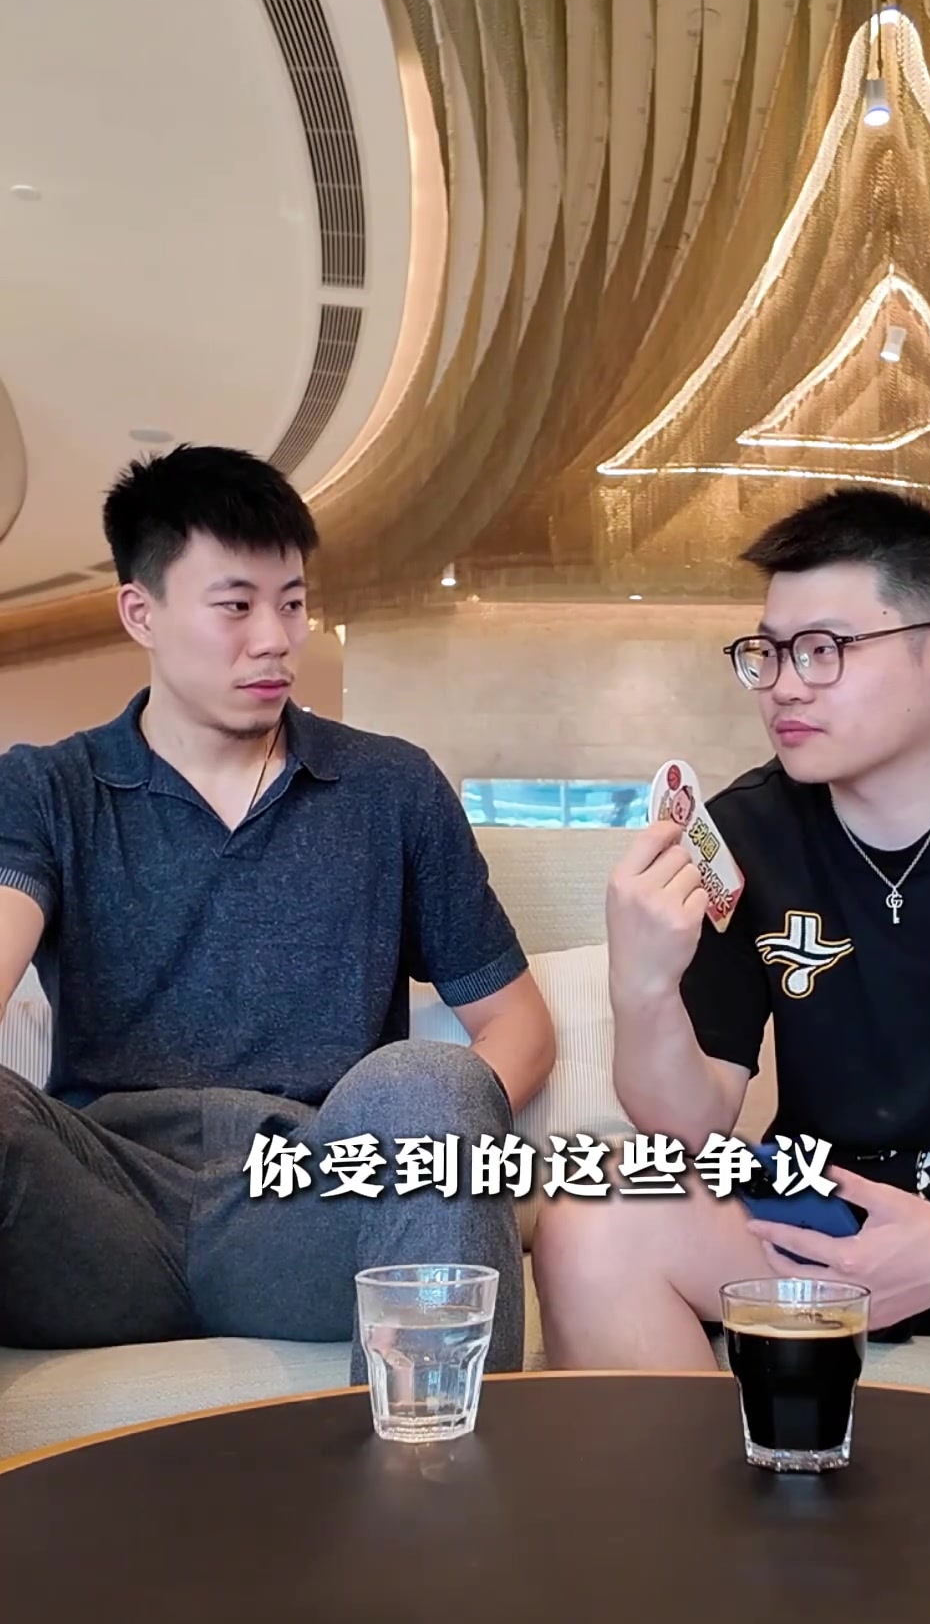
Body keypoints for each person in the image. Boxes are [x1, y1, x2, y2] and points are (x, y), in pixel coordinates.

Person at [0, 444, 555, 1376]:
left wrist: (430, 1148)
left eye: (292, 603)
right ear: (141, 612)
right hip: (95, 1205)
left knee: (435, 1078)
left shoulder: (390, 788)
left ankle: (438, 1471)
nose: (275, 639)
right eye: (236, 606)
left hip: (311, 1198)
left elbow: (519, 1028)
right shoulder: (47, 788)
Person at [533, 486, 930, 1372]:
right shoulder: (743, 834)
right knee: (595, 1219)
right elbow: (691, 1132)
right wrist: (643, 986)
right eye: (768, 652)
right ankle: (696, 1475)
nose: (785, 685)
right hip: (825, 1220)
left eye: (825, 651)